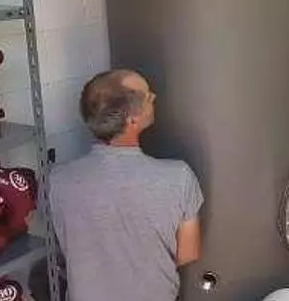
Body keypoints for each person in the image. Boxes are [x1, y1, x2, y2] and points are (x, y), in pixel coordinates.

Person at [48, 69, 204, 301]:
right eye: (148, 96)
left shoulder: (57, 179)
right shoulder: (179, 177)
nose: (154, 97)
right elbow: (188, 253)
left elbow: (60, 246)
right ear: (132, 119)